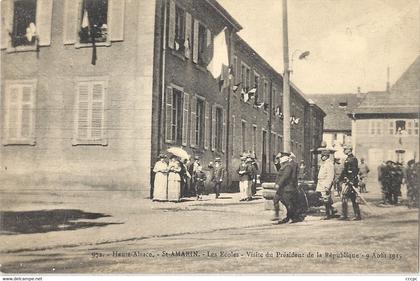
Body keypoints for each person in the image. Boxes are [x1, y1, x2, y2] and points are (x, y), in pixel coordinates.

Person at [272, 151, 300, 224]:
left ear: (285, 158)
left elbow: (285, 176)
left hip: (286, 187)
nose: (280, 159)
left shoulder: (288, 166)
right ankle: (277, 215)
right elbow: (279, 171)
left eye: (281, 157)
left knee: (288, 203)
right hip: (282, 188)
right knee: (276, 199)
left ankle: (291, 217)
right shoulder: (284, 165)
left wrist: (279, 184)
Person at [339, 146, 361, 221]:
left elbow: (355, 171)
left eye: (345, 149)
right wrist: (342, 178)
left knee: (350, 198)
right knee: (347, 197)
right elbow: (345, 171)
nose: (344, 151)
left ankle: (355, 215)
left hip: (351, 182)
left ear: (349, 150)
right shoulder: (347, 159)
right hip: (347, 181)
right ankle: (348, 215)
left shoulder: (353, 159)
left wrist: (351, 181)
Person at [316, 149, 335, 220]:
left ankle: (328, 214)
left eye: (323, 156)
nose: (322, 157)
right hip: (321, 183)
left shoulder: (329, 164)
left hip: (325, 184)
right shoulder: (324, 163)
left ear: (327, 156)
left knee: (326, 199)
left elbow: (330, 176)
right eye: (322, 156)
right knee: (326, 199)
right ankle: (331, 212)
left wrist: (327, 186)